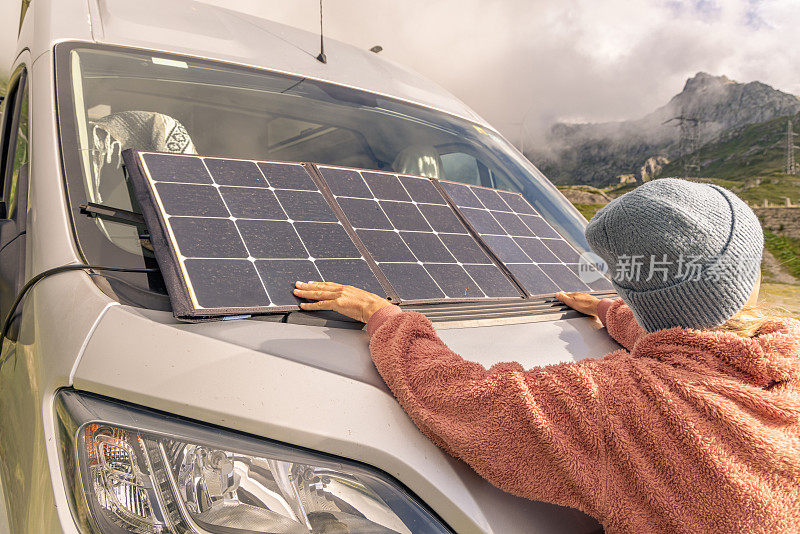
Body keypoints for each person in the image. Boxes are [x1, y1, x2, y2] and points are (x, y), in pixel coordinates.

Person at [293, 179, 800, 534]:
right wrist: (613, 312)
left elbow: (463, 399)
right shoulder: (788, 344)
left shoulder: (619, 404)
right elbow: (693, 343)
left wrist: (385, 315)